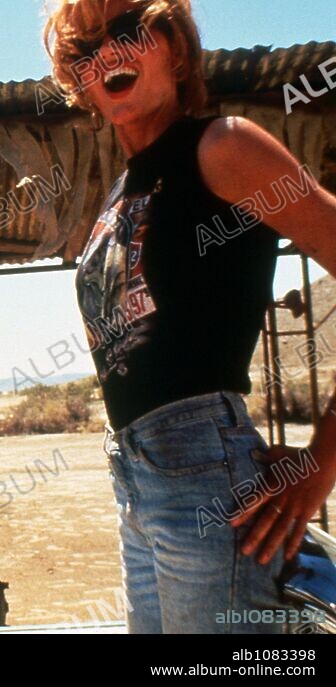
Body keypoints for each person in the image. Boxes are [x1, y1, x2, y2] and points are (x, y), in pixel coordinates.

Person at [44, 0, 336, 633]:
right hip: (134, 479)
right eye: (85, 49)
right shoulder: (120, 195)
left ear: (175, 48)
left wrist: (322, 463)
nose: (107, 54)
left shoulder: (224, 144)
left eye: (127, 30)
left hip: (206, 467)